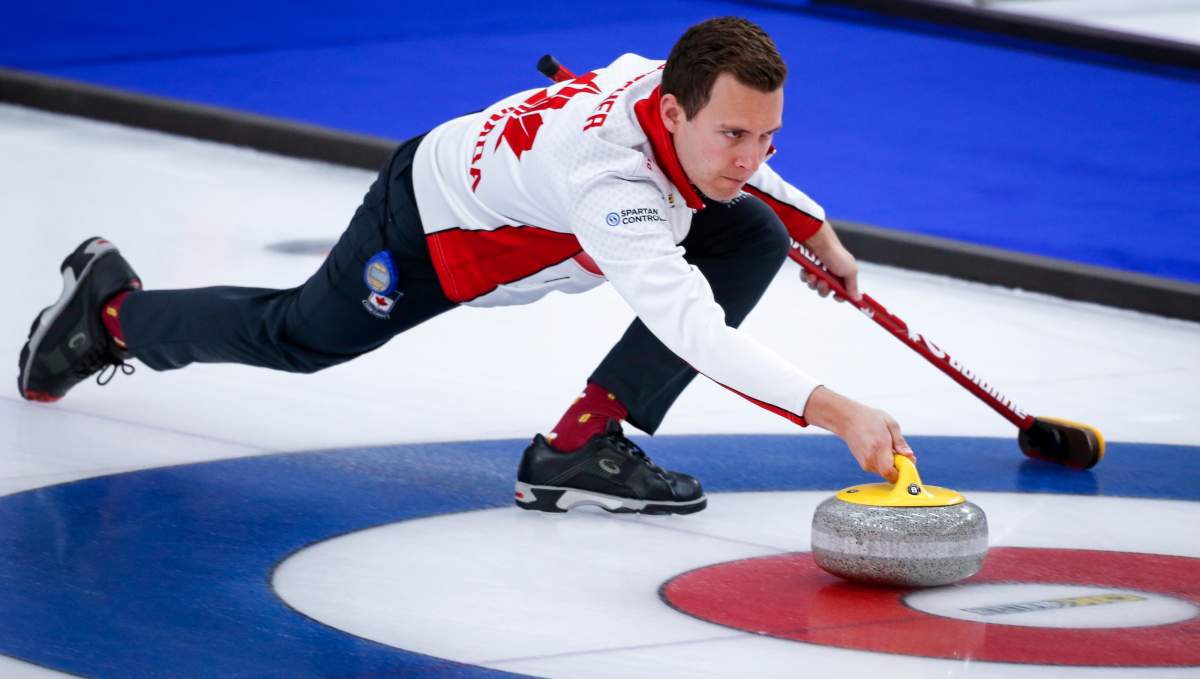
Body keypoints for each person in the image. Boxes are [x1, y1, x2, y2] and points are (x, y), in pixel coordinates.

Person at [17, 16, 914, 515]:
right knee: (300, 337)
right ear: (672, 112)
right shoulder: (612, 183)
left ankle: (578, 445)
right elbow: (692, 326)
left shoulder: (668, 82)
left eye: (769, 136)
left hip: (517, 193)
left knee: (751, 225)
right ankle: (109, 312)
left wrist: (821, 235)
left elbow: (749, 166)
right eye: (733, 134)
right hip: (434, 226)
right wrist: (836, 409)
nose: (751, 153)